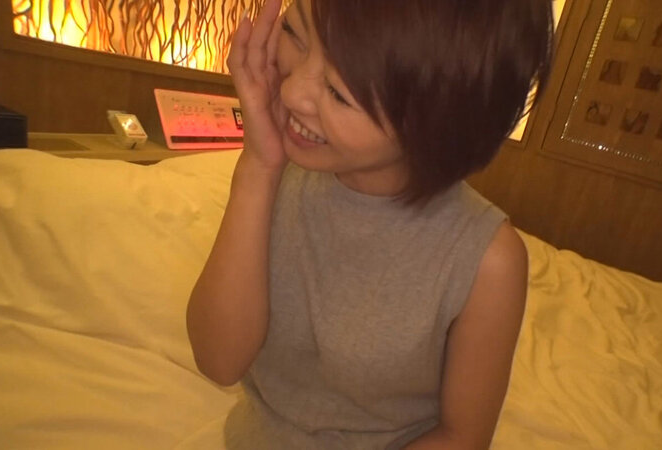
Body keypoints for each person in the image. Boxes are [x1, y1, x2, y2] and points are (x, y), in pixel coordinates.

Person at [186, 0, 552, 447]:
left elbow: (462, 437)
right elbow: (219, 361)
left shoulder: (487, 260)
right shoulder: (278, 174)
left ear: (437, 121)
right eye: (294, 33)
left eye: (339, 91)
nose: (292, 93)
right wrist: (258, 167)